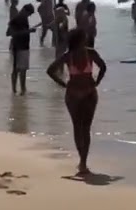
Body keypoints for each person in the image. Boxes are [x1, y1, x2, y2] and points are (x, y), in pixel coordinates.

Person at [46, 29, 108, 176]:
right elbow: (103, 67)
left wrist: (64, 84)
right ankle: (82, 162)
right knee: (82, 128)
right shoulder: (87, 53)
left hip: (75, 93)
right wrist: (96, 81)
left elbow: (51, 71)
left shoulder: (70, 56)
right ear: (80, 39)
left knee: (81, 128)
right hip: (87, 92)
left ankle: (83, 162)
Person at [7, 4, 35, 95]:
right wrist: (28, 31)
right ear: (24, 10)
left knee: (22, 69)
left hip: (24, 46)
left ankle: (21, 89)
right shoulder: (16, 19)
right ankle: (17, 89)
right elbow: (9, 33)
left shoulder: (23, 19)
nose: (29, 16)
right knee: (18, 69)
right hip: (19, 46)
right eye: (29, 14)